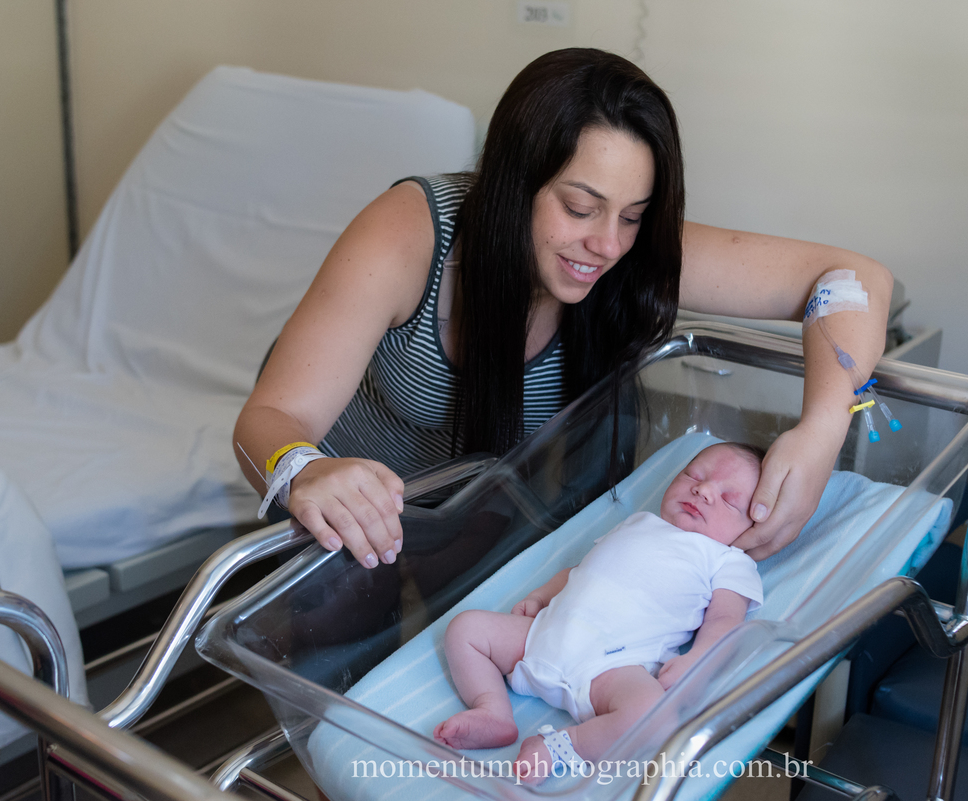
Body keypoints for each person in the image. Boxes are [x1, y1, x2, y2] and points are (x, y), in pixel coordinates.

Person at [232, 47, 892, 574]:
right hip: (339, 519)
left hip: (472, 506)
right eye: (580, 208)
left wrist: (821, 431)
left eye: (631, 216)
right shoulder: (407, 235)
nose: (605, 245)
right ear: (514, 186)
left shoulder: (629, 251)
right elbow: (270, 417)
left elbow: (856, 278)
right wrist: (304, 469)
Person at [433, 442, 765, 782]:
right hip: (544, 634)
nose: (703, 489)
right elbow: (582, 569)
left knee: (655, 719)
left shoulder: (728, 560)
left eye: (729, 499)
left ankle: (561, 746)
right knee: (464, 629)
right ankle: (492, 710)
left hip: (613, 665)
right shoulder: (638, 522)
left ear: (752, 529)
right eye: (693, 475)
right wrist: (542, 595)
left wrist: (698, 658)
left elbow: (725, 619)